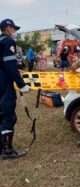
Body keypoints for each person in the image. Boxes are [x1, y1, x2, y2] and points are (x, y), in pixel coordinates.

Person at [0, 19, 30, 159]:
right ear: (7, 28)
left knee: (1, 116)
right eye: (13, 29)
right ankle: (7, 151)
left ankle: (2, 147)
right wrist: (21, 84)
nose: (15, 32)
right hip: (5, 84)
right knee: (8, 117)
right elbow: (10, 66)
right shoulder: (7, 42)